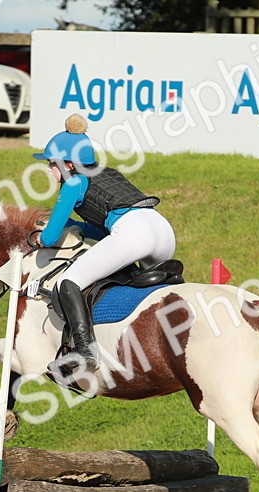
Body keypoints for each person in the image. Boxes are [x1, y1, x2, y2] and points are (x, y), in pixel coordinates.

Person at [32, 114, 175, 372]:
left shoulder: (73, 183)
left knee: (68, 282)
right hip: (162, 230)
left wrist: (39, 237)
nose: (48, 168)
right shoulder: (108, 173)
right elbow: (103, 229)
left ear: (69, 165)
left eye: (52, 163)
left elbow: (50, 238)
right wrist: (75, 227)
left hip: (134, 234)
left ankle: (85, 351)